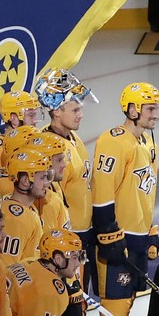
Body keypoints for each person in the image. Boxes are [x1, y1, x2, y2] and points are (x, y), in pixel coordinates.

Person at [89, 82, 159, 316]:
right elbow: (102, 193)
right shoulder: (113, 141)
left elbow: (147, 191)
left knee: (130, 298)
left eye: (157, 108)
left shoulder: (146, 140)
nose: (156, 114)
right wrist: (109, 234)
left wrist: (151, 230)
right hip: (117, 236)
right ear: (132, 110)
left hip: (138, 235)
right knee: (116, 300)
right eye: (150, 108)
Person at [35, 68, 96, 292]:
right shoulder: (51, 149)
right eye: (75, 109)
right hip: (65, 245)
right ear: (57, 111)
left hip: (82, 234)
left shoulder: (72, 136)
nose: (81, 114)